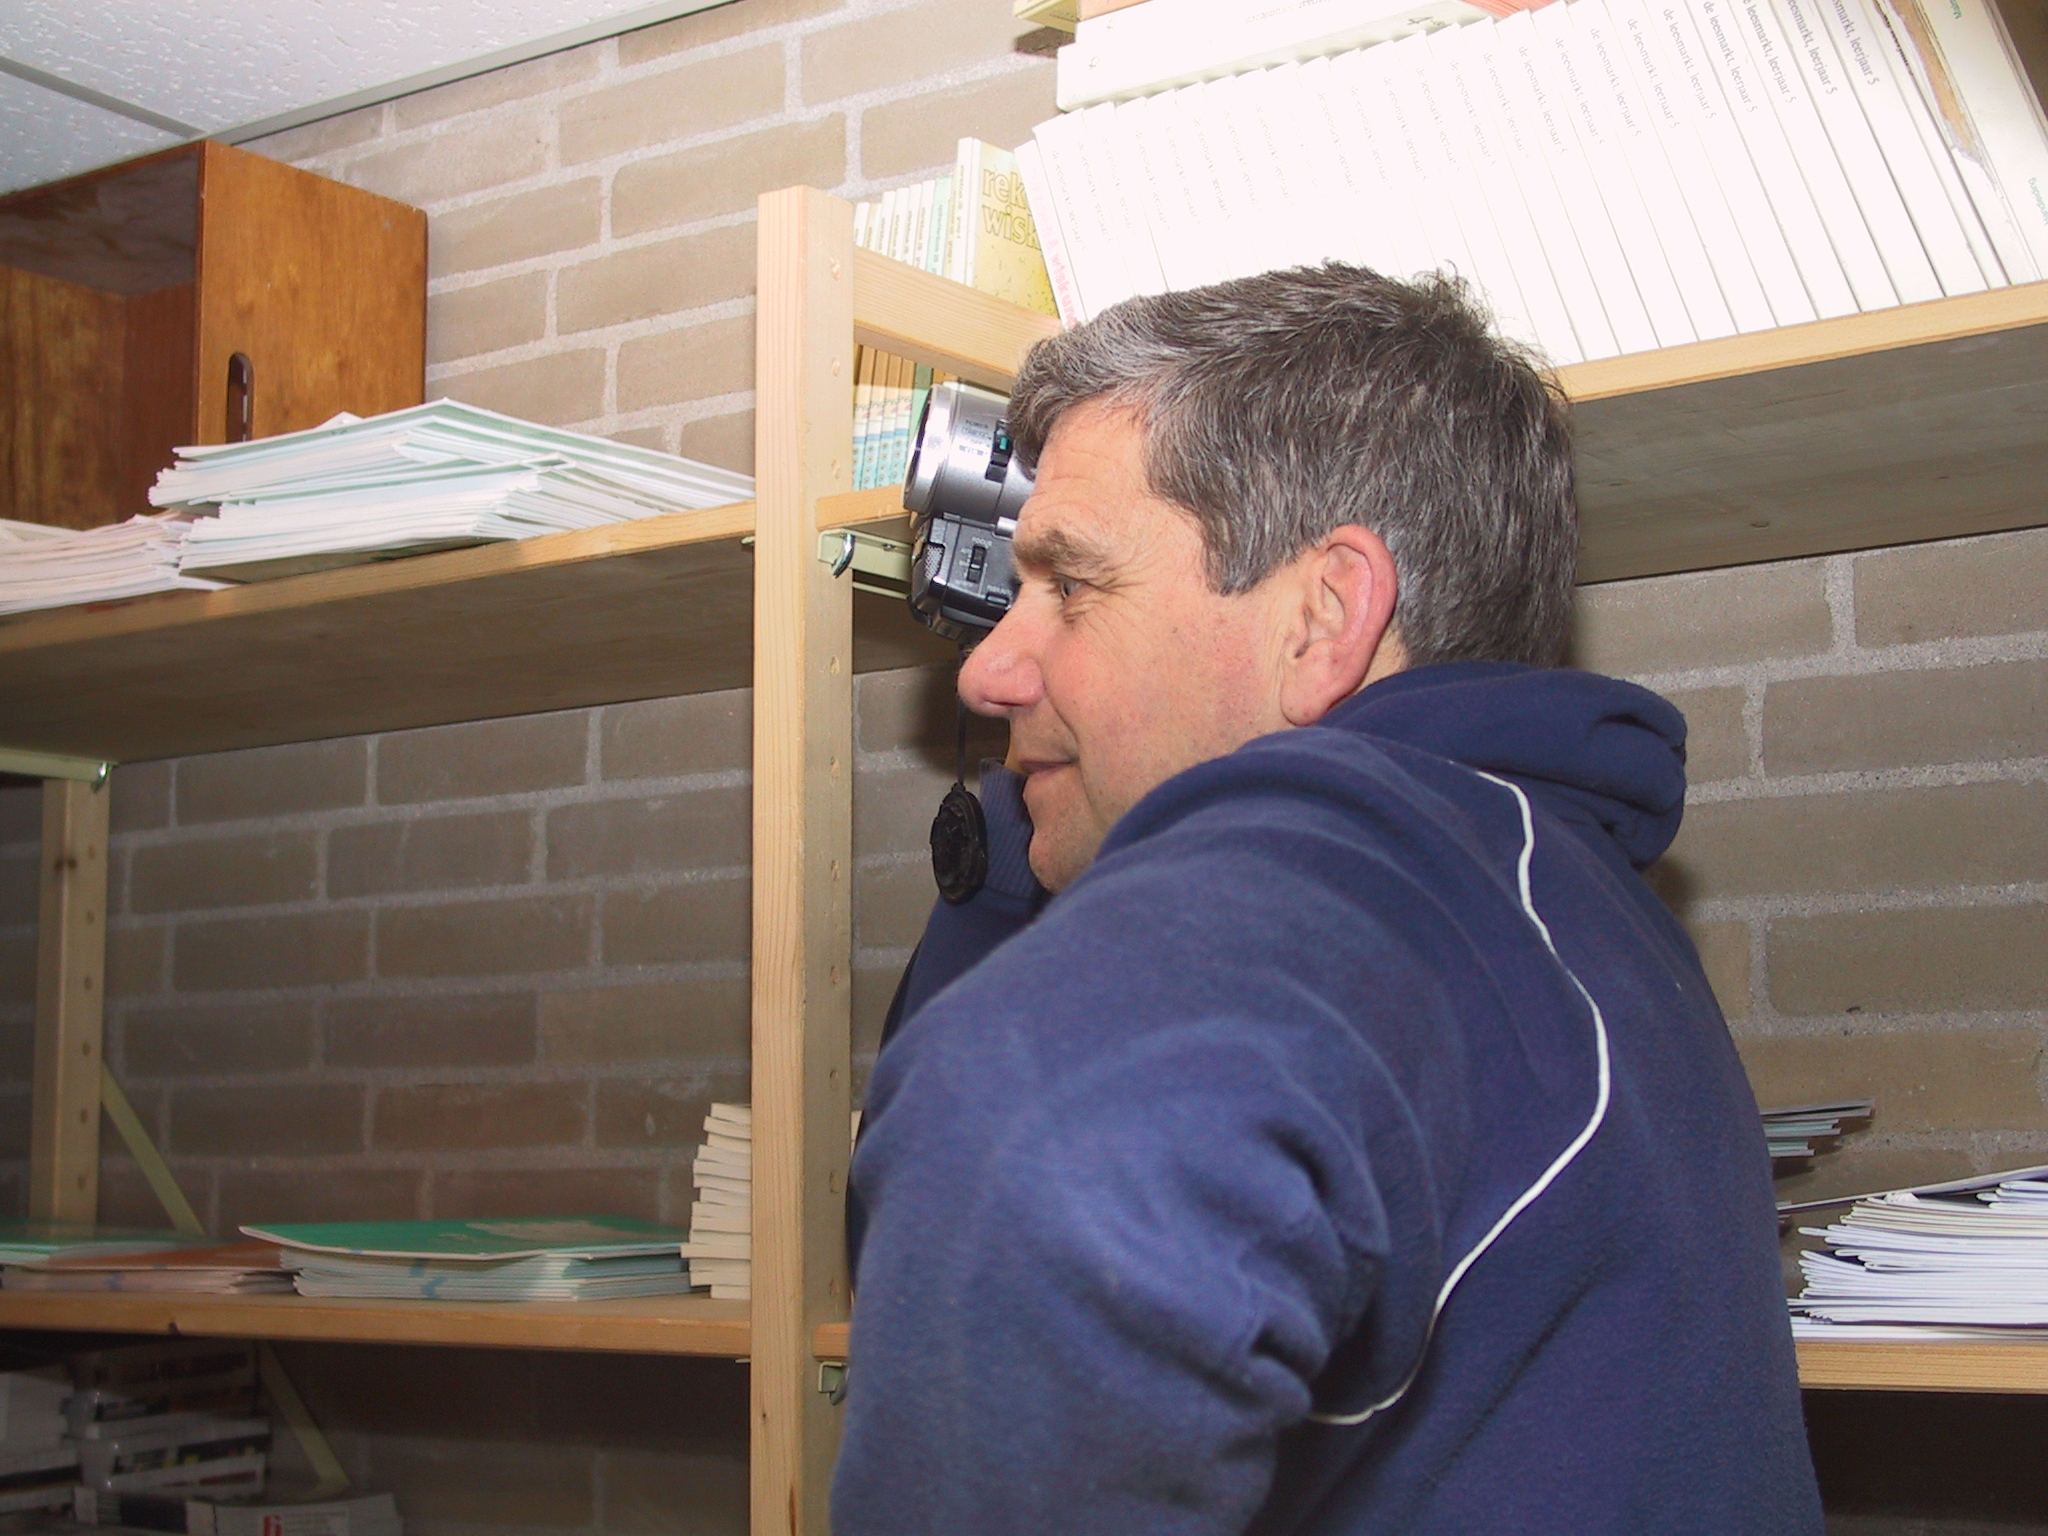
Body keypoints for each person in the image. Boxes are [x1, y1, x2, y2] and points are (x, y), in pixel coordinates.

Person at [834, 264, 1821, 1534]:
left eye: (1068, 585)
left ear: (1323, 618)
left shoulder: (1364, 865)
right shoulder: (1540, 896)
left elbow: (1031, 1128)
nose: (985, 669)